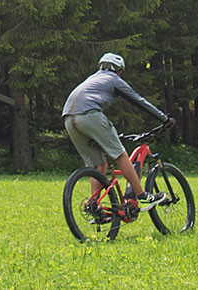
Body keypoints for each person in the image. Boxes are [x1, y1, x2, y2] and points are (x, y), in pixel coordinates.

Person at [62, 53, 172, 208]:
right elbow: (139, 101)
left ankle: (94, 205)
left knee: (98, 165)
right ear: (119, 70)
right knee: (120, 155)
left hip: (68, 118)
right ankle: (142, 195)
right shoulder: (114, 80)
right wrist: (163, 118)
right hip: (90, 115)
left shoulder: (92, 79)